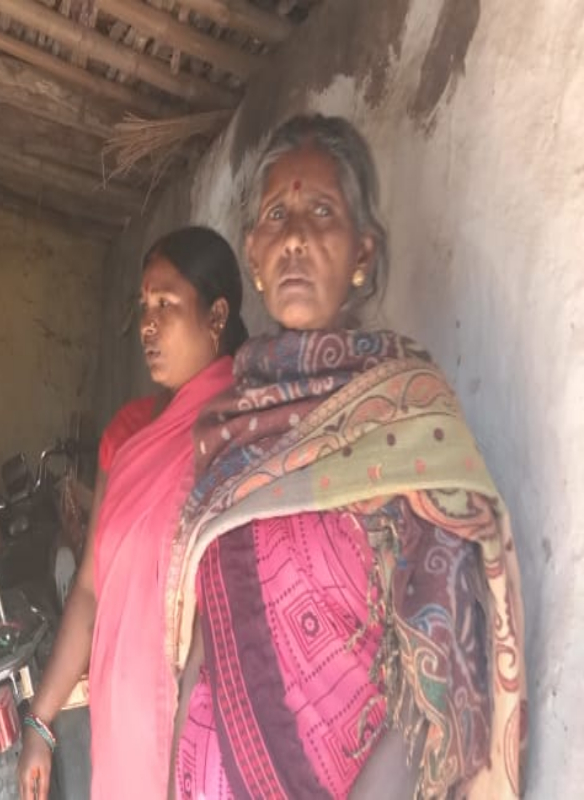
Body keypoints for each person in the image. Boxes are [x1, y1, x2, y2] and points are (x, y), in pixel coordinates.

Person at [166, 114, 526, 798]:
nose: (295, 237)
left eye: (322, 211)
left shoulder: (408, 415)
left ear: (363, 250)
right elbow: (205, 648)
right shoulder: (230, 429)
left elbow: (441, 674)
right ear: (254, 254)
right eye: (277, 215)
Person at [17, 227, 249, 800]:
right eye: (144, 306)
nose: (148, 323)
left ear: (217, 316)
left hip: (198, 738)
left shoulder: (242, 431)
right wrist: (40, 722)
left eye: (167, 304)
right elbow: (90, 590)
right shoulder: (128, 436)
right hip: (121, 729)